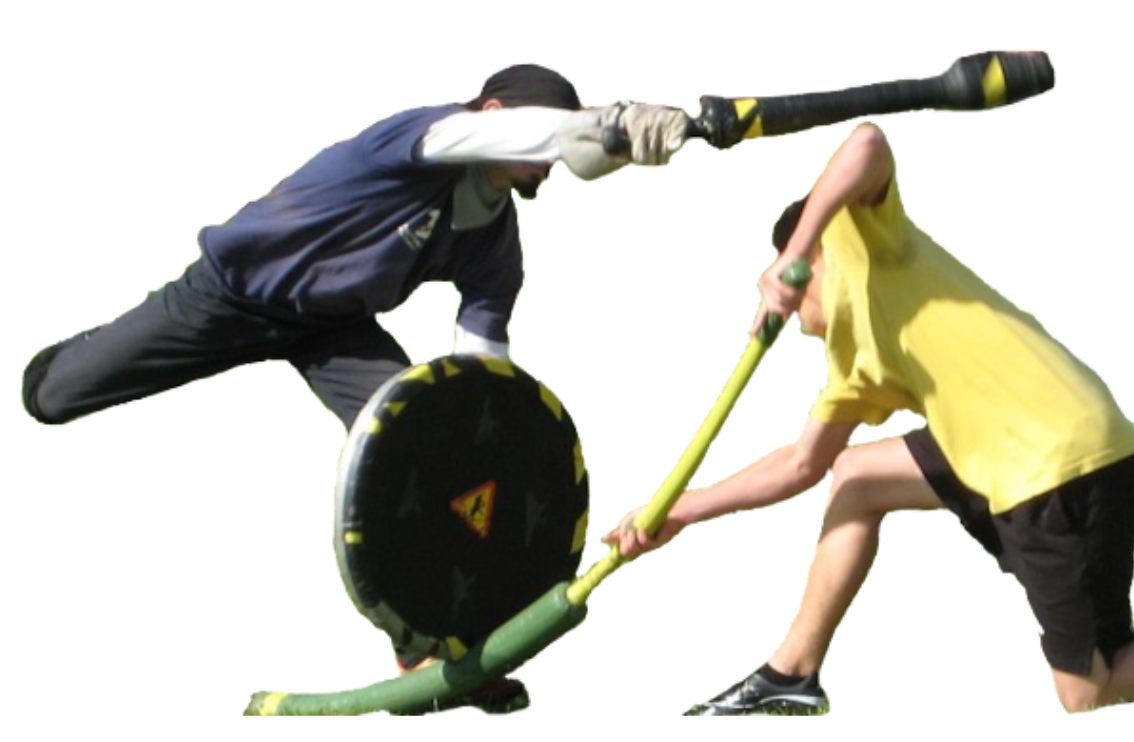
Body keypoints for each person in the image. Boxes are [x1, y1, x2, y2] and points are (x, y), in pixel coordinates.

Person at [606, 123, 1134, 715]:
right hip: (1017, 447)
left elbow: (866, 143)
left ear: (805, 259)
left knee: (1088, 688)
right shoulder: (852, 364)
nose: (786, 312)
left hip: (1059, 467)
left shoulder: (864, 236)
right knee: (856, 475)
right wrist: (675, 512)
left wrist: (793, 252)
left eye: (783, 278)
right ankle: (792, 672)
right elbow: (802, 464)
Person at [20, 63, 690, 713]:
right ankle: (82, 355)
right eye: (544, 131)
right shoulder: (419, 137)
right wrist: (600, 125)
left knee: (427, 444)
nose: (554, 157)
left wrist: (480, 466)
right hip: (228, 296)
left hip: (333, 330)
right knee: (51, 398)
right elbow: (483, 136)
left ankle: (429, 650)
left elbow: (480, 382)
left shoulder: (495, 244)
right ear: (492, 113)